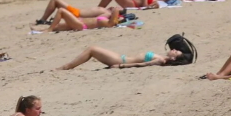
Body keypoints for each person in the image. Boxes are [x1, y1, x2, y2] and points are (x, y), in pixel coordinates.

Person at [58, 45, 193, 70]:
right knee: (92, 49)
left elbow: (142, 65)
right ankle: (68, 66)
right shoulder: (163, 58)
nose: (174, 50)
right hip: (121, 57)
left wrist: (121, 66)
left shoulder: (161, 60)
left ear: (174, 59)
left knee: (92, 49)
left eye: (176, 52)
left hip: (120, 61)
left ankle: (67, 66)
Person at [46, 6, 124, 32]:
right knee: (57, 27)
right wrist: (112, 10)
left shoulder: (107, 23)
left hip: (81, 25)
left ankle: (48, 30)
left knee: (61, 10)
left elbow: (111, 24)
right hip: (79, 22)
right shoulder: (106, 16)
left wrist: (116, 10)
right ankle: (41, 30)